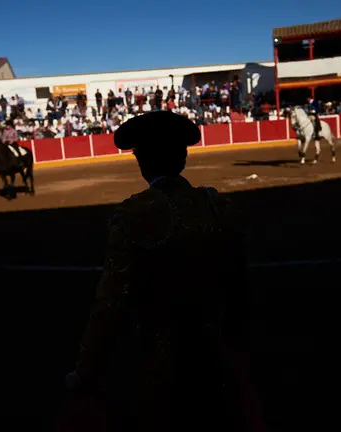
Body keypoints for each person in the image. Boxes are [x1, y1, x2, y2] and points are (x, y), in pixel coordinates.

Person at [63, 111, 260, 432]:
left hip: (159, 360)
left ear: (141, 162)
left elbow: (110, 302)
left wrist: (85, 369)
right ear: (183, 156)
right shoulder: (218, 206)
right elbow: (239, 284)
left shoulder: (133, 214)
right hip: (217, 351)